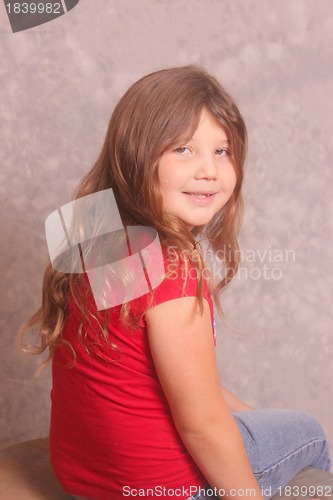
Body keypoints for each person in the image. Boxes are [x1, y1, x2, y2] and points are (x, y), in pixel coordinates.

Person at [19, 66, 332, 500]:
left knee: (258, 422)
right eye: (183, 149)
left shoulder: (96, 231)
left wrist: (252, 421)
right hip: (161, 489)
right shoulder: (173, 269)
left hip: (88, 480)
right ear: (137, 156)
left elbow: (162, 376)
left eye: (223, 151)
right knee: (310, 432)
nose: (209, 170)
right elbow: (201, 424)